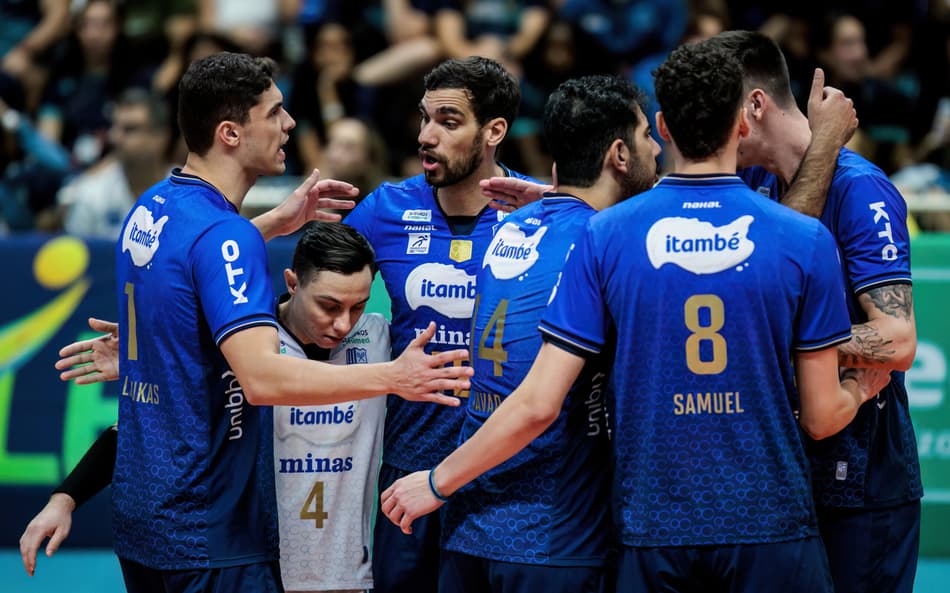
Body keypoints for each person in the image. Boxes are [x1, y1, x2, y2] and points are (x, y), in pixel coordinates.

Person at [381, 41, 891, 592]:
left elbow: (535, 397)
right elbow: (819, 413)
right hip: (739, 523)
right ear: (743, 123)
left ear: (668, 125)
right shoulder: (795, 238)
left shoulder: (573, 231)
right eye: (642, 135)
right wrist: (861, 389)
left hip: (599, 529)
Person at [100, 52, 471, 593]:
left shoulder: (152, 207)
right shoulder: (226, 237)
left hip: (144, 524)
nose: (290, 124)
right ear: (230, 132)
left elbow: (188, 269)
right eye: (274, 113)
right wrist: (395, 378)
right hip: (207, 527)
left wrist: (270, 224)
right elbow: (263, 379)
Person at [22, 222, 391, 593]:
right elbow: (141, 431)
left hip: (344, 576)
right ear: (293, 283)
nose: (343, 323)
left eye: (357, 306)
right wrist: (65, 499)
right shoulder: (234, 347)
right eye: (328, 306)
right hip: (253, 568)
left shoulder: (379, 342)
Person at [710, 30, 921, 593]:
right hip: (783, 474)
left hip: (863, 480)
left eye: (716, 111)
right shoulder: (749, 183)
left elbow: (897, 340)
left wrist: (782, 342)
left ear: (754, 106)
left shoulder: (862, 190)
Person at [437, 74, 659, 593]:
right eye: (648, 135)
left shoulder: (512, 223)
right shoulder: (611, 243)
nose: (658, 146)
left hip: (472, 527)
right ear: (620, 154)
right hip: (556, 538)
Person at [341, 56, 536, 593]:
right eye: (425, 118)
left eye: (448, 123)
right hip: (408, 475)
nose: (427, 135)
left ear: (494, 131)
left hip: (507, 479)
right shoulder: (386, 209)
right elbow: (310, 297)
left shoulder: (539, 214)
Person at [57, 88, 172, 240]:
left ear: (160, 138)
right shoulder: (91, 194)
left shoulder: (191, 194)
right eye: (115, 127)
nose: (116, 137)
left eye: (130, 129)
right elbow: (79, 258)